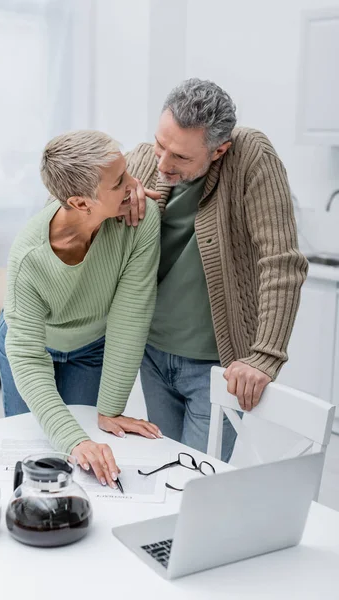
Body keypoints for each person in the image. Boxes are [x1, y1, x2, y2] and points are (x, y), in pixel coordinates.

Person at [124, 78, 308, 462]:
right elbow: (71, 203)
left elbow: (281, 261)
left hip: (217, 369)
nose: (163, 165)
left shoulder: (250, 156)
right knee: (163, 472)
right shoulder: (142, 161)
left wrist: (265, 356)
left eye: (181, 158)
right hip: (153, 354)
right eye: (161, 145)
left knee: (197, 482)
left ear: (219, 150)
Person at [0, 130, 162, 488]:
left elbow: (130, 314)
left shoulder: (139, 220)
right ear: (82, 203)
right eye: (120, 182)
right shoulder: (29, 257)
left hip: (91, 347)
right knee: (34, 455)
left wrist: (111, 409)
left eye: (127, 171)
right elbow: (26, 355)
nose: (135, 186)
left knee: (85, 461)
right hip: (32, 346)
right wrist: (73, 439)